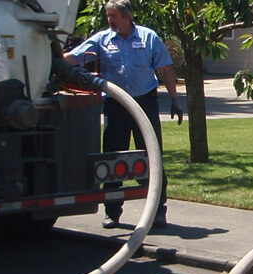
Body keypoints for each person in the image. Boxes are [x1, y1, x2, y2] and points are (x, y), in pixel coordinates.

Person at [64, 0, 183, 228]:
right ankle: (112, 211)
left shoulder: (148, 38)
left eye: (113, 16)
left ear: (126, 16)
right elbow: (74, 57)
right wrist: (55, 58)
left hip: (144, 103)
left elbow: (166, 69)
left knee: (152, 156)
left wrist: (175, 100)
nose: (109, 20)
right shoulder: (102, 39)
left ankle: (158, 210)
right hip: (116, 106)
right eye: (108, 16)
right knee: (113, 157)